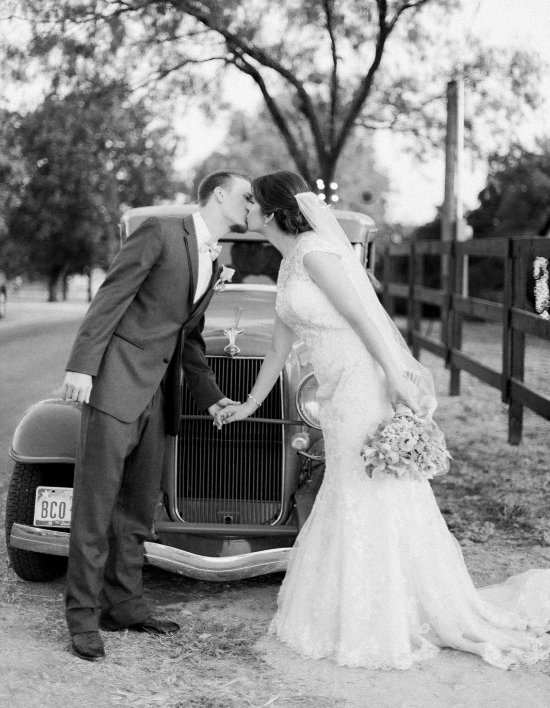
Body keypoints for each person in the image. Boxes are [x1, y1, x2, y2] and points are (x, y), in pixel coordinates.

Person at [216, 170, 550, 670]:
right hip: (331, 393)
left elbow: (364, 317)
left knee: (365, 487)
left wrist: (395, 374)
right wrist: (246, 404)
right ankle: (363, 600)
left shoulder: (314, 253)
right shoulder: (288, 265)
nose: (245, 210)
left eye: (250, 203)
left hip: (360, 385)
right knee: (351, 489)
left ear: (269, 210)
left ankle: (391, 611)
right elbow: (277, 353)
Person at [62, 170, 253, 662]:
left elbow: (187, 339)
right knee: (95, 505)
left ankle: (123, 605)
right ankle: (82, 617)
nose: (253, 205)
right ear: (218, 195)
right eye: (246, 197)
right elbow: (110, 299)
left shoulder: (215, 260)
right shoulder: (162, 232)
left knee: (137, 507)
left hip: (160, 395)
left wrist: (210, 398)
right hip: (116, 384)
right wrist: (82, 367)